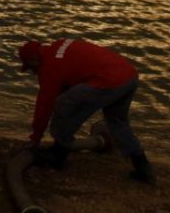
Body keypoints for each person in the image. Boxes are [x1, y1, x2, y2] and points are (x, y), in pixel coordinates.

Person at [19, 38, 154, 184]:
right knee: (118, 122)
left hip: (107, 80)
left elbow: (44, 105)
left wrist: (36, 137)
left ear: (33, 61)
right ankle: (143, 167)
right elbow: (76, 71)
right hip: (129, 76)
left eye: (31, 68)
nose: (33, 72)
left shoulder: (49, 67)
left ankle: (58, 155)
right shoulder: (60, 45)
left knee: (63, 105)